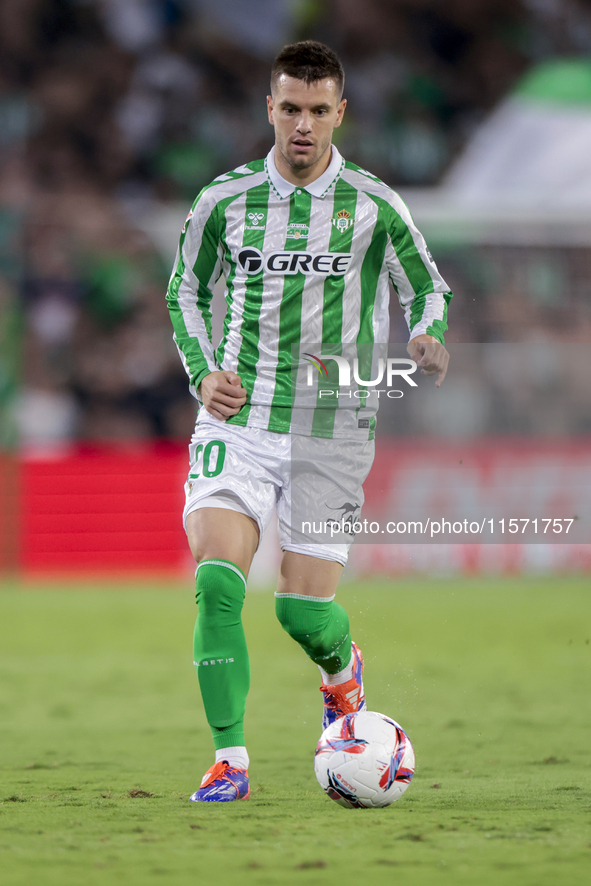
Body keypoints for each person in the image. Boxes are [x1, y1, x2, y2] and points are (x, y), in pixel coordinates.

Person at [166, 40, 451, 803]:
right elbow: (184, 295)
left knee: (300, 608)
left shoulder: (373, 204)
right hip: (239, 419)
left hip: (332, 425)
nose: (302, 124)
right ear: (269, 107)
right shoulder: (222, 201)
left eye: (317, 111)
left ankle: (340, 668)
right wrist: (202, 370)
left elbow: (426, 284)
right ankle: (231, 758)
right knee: (217, 583)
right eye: (289, 107)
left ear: (339, 114)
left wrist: (426, 333)